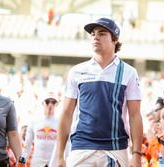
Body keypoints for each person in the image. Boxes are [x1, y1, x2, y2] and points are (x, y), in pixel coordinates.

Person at [56, 17, 143, 167]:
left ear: (115, 40)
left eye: (102, 33)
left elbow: (135, 115)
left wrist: (136, 154)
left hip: (115, 149)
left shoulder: (129, 72)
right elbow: (66, 113)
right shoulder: (77, 71)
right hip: (81, 148)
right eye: (93, 34)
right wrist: (59, 156)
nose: (95, 37)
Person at [23, 91, 59, 167]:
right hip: (37, 162)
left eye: (53, 102)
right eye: (47, 102)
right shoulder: (34, 121)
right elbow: (27, 145)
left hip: (54, 162)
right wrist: (22, 161)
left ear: (56, 104)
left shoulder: (60, 122)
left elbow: (66, 145)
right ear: (43, 103)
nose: (50, 105)